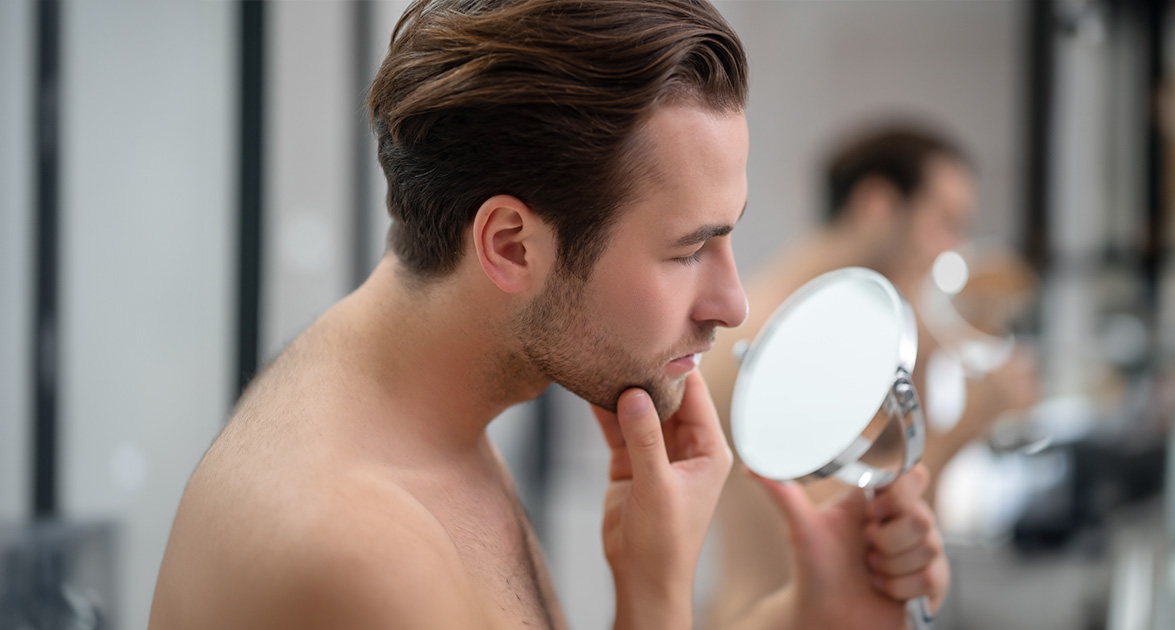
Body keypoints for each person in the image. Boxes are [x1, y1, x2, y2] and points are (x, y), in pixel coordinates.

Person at [149, 3, 947, 628]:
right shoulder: (358, 549)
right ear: (510, 245)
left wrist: (813, 618)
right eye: (687, 251)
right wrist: (657, 602)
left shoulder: (429, 418)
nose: (732, 305)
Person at [703, 124, 1039, 625]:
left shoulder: (845, 327)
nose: (954, 250)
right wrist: (971, 423)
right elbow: (853, 540)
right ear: (877, 205)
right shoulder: (782, 335)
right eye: (946, 222)